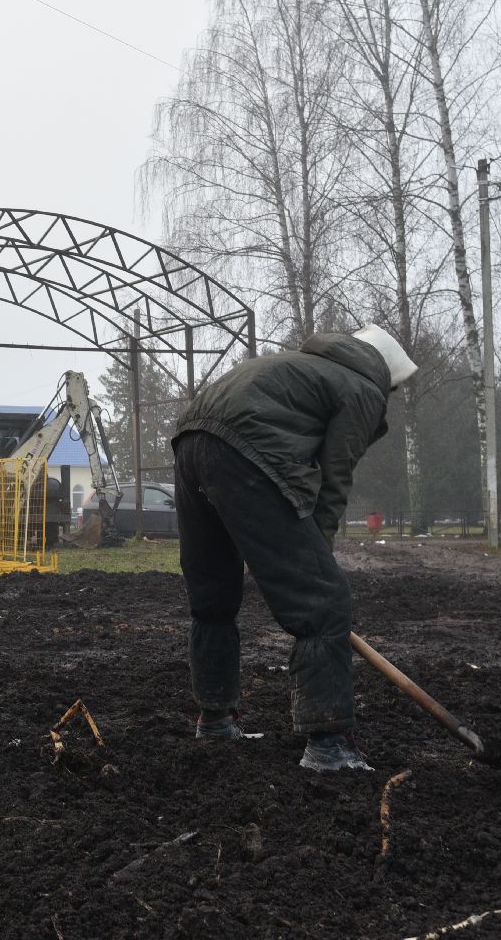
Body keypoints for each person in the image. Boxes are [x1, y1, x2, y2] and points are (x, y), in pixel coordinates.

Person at [171, 324, 417, 771]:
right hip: (245, 448)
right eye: (395, 389)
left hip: (191, 439)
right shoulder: (362, 387)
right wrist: (316, 560)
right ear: (387, 374)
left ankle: (216, 719)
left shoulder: (303, 366)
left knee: (213, 596)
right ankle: (328, 746)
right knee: (324, 602)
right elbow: (334, 475)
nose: (391, 396)